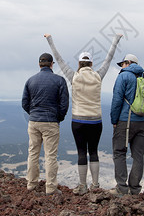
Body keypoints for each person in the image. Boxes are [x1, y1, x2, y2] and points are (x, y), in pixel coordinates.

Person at [44, 33, 122, 195]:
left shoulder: (74, 77)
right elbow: (108, 59)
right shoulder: (98, 76)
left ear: (79, 63)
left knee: (81, 152)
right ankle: (95, 185)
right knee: (93, 151)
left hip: (78, 121)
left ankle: (82, 185)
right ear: (91, 63)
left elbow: (59, 60)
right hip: (96, 121)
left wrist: (49, 40)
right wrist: (116, 39)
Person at [22, 52, 69, 195]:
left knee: (33, 153)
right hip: (50, 122)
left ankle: (31, 184)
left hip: (34, 121)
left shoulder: (30, 80)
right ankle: (51, 188)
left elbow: (25, 103)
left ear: (39, 64)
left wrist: (34, 113)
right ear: (51, 64)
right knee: (50, 156)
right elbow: (64, 104)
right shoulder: (59, 80)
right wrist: (58, 117)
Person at [110, 54, 144, 195]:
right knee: (138, 155)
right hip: (142, 122)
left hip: (125, 120)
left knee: (119, 152)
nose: (122, 67)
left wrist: (114, 120)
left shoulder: (123, 77)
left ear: (128, 63)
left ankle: (122, 188)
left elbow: (117, 100)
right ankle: (135, 189)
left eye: (122, 64)